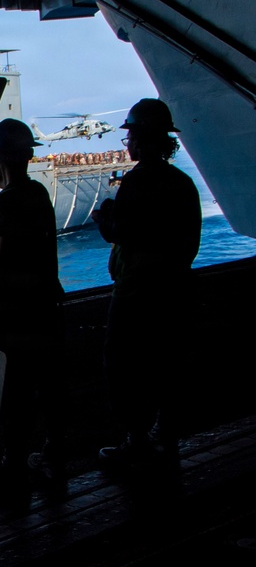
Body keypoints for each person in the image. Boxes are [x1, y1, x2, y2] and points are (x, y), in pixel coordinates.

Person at [92, 98, 201, 469]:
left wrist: (103, 218)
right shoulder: (183, 183)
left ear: (141, 139)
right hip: (174, 290)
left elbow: (121, 232)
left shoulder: (138, 180)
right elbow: (190, 243)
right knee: (166, 365)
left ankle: (136, 441)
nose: (129, 145)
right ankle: (164, 435)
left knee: (124, 365)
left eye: (131, 137)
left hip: (136, 292)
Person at [0, 119, 67, 491]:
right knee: (48, 386)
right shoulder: (36, 193)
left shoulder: (3, 204)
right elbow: (7, 180)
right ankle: (53, 454)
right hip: (43, 307)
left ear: (0, 156)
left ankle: (14, 465)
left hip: (10, 312)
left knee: (13, 392)